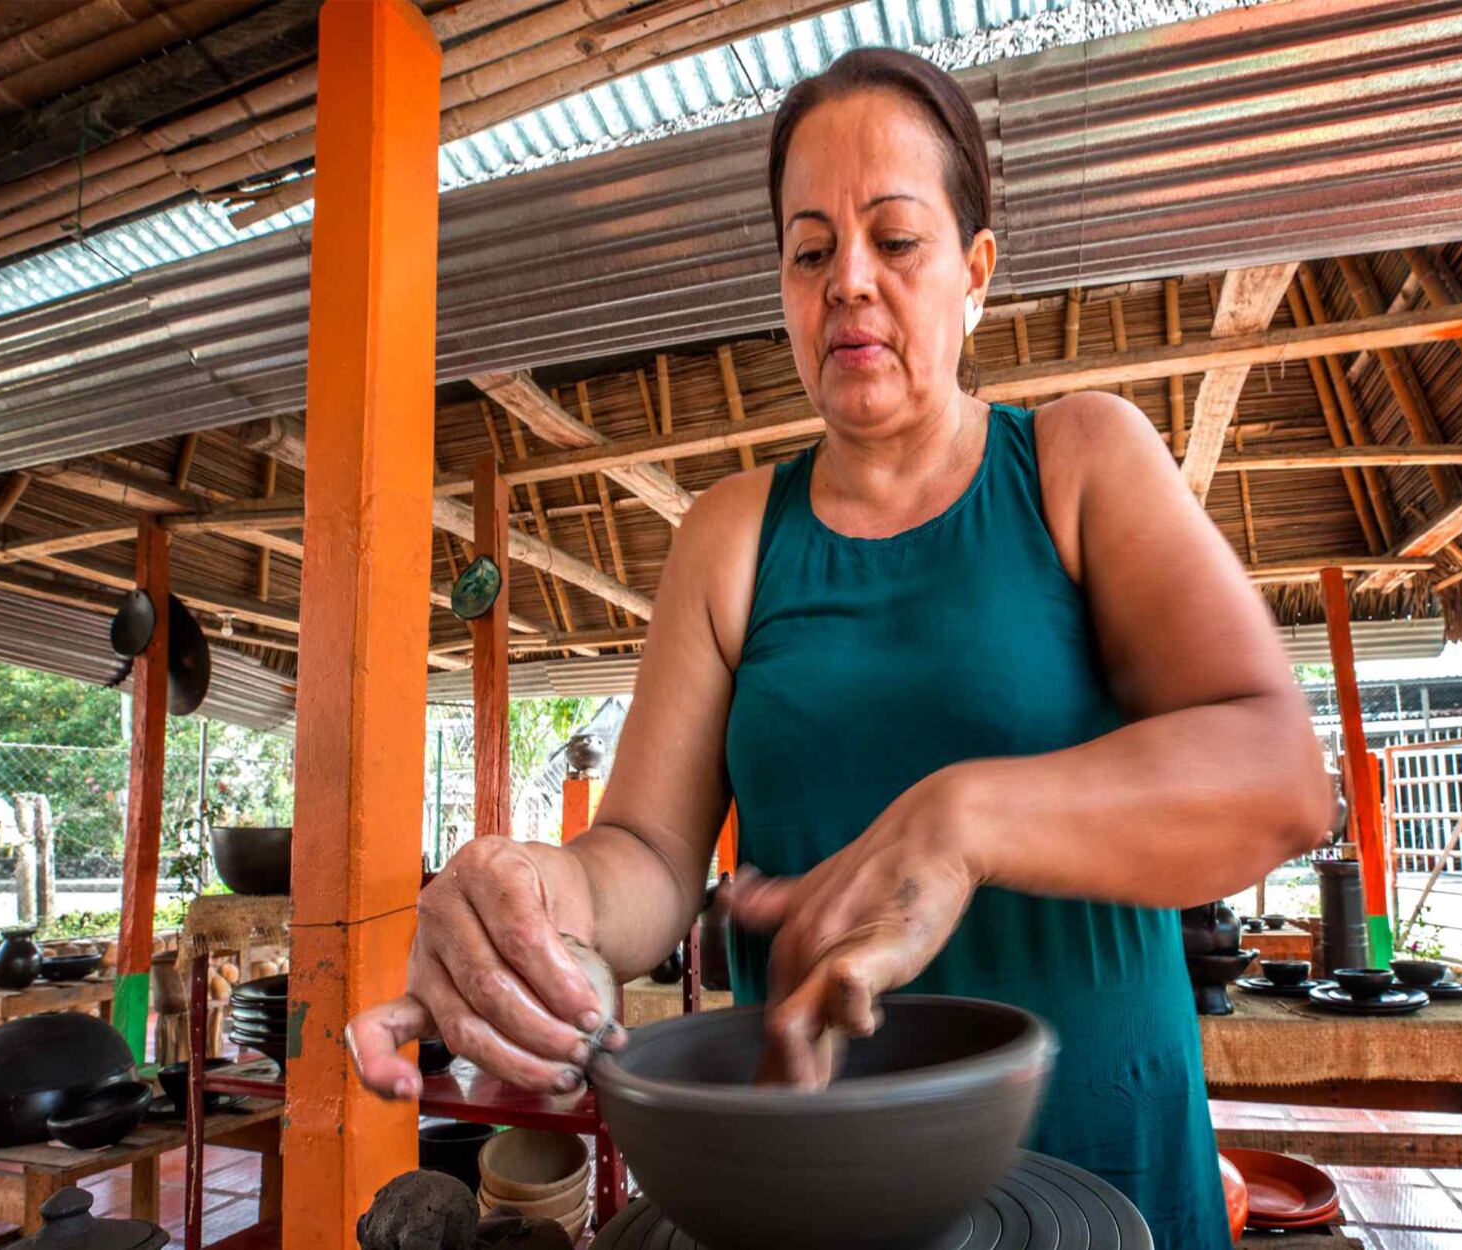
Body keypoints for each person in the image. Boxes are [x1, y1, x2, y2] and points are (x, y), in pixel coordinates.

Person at [350, 47, 1330, 1247]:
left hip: (1102, 1165)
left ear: (973, 272)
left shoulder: (1081, 466)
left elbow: (1282, 777)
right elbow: (649, 860)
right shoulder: (733, 536)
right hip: (814, 1196)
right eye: (810, 250)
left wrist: (960, 822)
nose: (848, 282)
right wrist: (534, 890)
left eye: (895, 239)